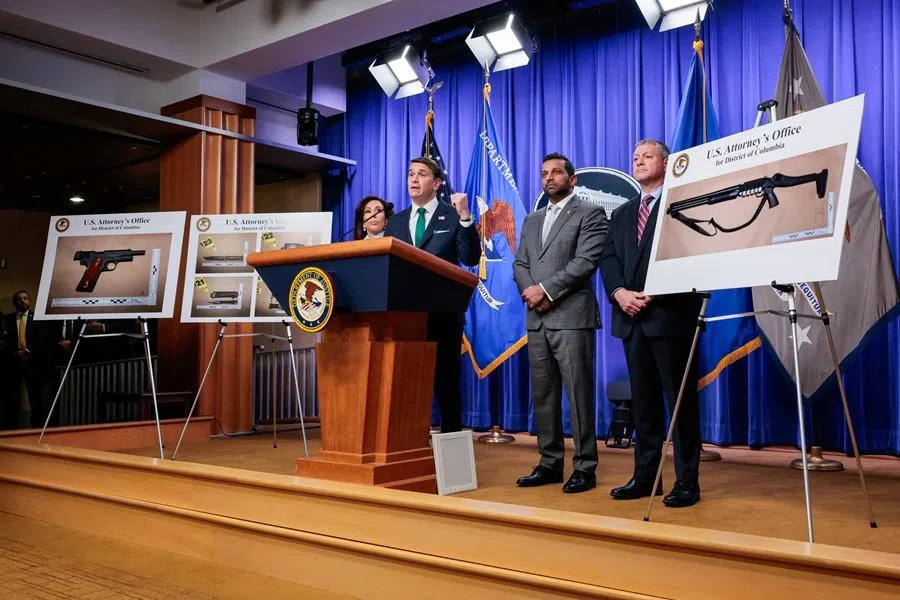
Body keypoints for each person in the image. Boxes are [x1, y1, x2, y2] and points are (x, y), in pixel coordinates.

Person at [599, 139, 703, 508]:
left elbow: (690, 253)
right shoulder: (622, 213)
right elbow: (608, 257)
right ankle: (646, 477)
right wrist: (619, 293)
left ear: (667, 162)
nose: (639, 161)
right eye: (635, 157)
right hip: (631, 319)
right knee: (643, 405)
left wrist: (654, 291)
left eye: (647, 156)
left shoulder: (683, 202)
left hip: (670, 317)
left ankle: (687, 481)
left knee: (680, 404)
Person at [513, 153, 608, 494]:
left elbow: (585, 261)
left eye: (556, 172)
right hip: (537, 318)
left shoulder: (590, 213)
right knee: (544, 395)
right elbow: (520, 263)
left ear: (572, 179)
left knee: (579, 395)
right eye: (544, 173)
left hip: (571, 317)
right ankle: (550, 463)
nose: (549, 178)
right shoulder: (532, 219)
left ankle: (585, 467)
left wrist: (546, 291)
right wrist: (530, 290)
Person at [385, 156, 480, 432]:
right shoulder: (396, 221)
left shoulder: (452, 215)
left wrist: (465, 218)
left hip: (442, 314)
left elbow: (470, 257)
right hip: (404, 316)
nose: (413, 179)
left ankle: (451, 449)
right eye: (410, 174)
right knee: (406, 382)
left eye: (421, 174)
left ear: (437, 183)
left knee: (446, 383)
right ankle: (408, 443)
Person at [3, 290, 48, 429]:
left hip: (33, 362)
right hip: (13, 362)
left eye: (25, 298)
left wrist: (28, 351)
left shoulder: (37, 318)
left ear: (29, 301)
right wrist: (15, 352)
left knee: (35, 397)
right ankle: (11, 428)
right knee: (12, 397)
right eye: (19, 299)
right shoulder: (7, 319)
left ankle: (36, 428)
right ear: (14, 302)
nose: (22, 301)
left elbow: (41, 338)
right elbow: (5, 339)